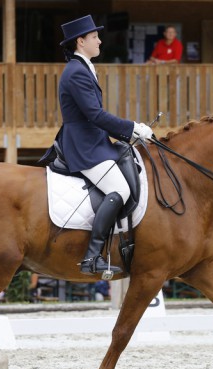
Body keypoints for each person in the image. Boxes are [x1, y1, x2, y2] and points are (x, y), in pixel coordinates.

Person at [58, 15, 154, 276]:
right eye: (94, 37)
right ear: (80, 41)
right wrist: (132, 128)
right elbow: (96, 115)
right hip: (84, 145)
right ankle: (92, 256)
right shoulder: (76, 72)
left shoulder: (84, 67)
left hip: (94, 140)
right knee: (120, 190)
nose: (99, 40)